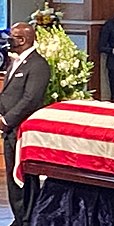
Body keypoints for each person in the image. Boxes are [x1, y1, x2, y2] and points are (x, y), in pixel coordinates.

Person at [0, 22, 50, 226]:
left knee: (24, 178)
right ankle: (19, 218)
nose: (7, 40)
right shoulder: (14, 62)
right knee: (13, 178)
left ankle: (28, 219)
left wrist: (7, 119)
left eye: (11, 37)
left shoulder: (38, 65)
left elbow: (31, 99)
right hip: (10, 130)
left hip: (24, 130)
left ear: (22, 40)